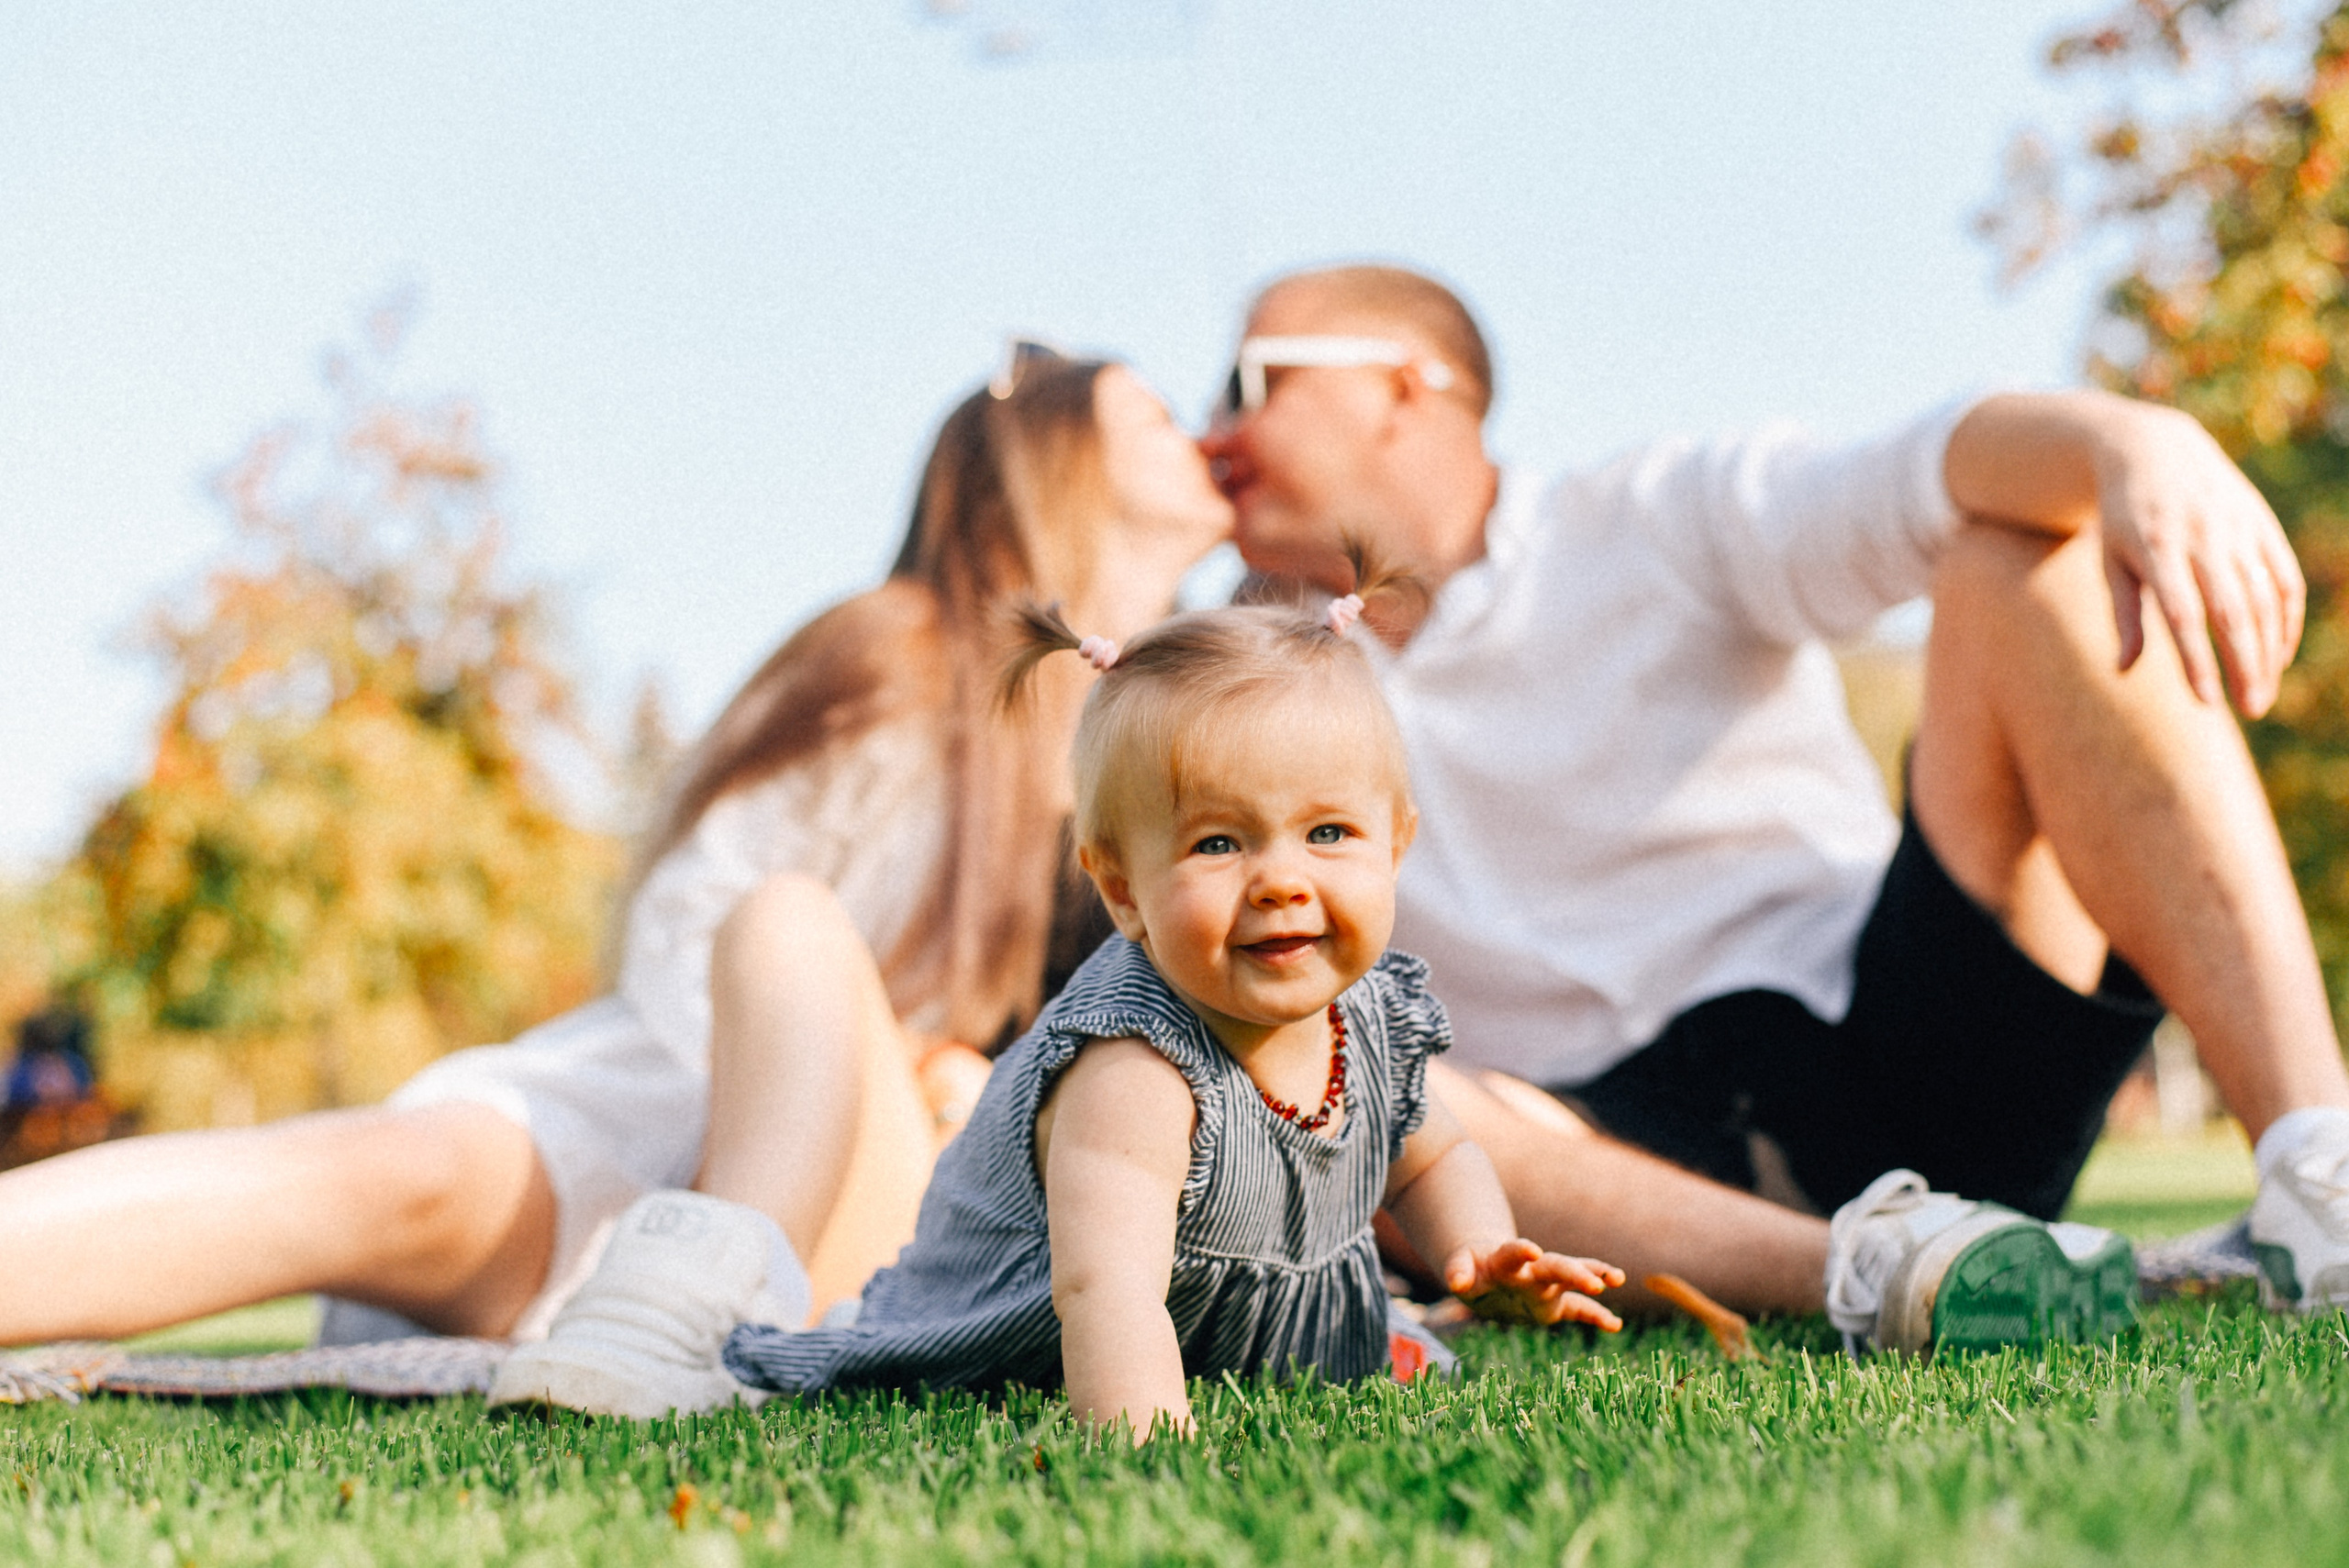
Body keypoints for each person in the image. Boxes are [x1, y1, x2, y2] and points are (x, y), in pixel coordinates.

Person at [1197, 262, 2349, 1340]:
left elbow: (1923, 472)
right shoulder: (1238, 692)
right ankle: (1905, 1272)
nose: (1215, 433)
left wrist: (2129, 438)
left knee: (2019, 555)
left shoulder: (1651, 517)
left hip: (1894, 1030)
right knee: (1337, 1056)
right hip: (1615, 1169)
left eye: (1251, 384)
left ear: (1411, 384)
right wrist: (1148, 524)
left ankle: (2321, 1174)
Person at [0, 345, 1231, 1349]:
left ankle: (690, 1318)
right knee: (387, 1176)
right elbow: (702, 914)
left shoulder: (1170, 740)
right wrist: (835, 1072)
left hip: (892, 1213)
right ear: (1058, 456)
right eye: (1159, 410)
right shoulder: (902, 653)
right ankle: (677, 1297)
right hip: (673, 1123)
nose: (1196, 426)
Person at [489, 587, 1625, 1431]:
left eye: (1327, 833)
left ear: (1395, 846)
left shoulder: (1375, 1015)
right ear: (1121, 888)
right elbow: (1106, 1287)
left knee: (1377, 1332)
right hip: (1040, 1334)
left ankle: (1338, 1337)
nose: (1282, 878)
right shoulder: (1137, 1065)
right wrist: (1145, 1436)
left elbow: (1429, 1155)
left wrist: (1479, 1253)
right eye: (1218, 842)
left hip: (1235, 1326)